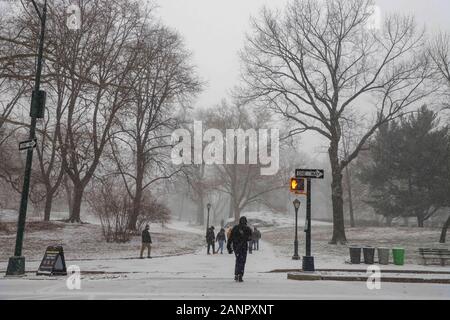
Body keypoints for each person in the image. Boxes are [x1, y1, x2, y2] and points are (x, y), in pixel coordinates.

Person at [227, 216, 252, 282]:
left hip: (236, 247)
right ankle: (240, 274)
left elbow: (230, 238)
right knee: (242, 261)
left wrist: (229, 247)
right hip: (243, 246)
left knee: (238, 260)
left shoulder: (235, 228)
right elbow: (250, 238)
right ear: (246, 221)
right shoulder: (247, 228)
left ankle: (236, 274)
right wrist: (245, 237)